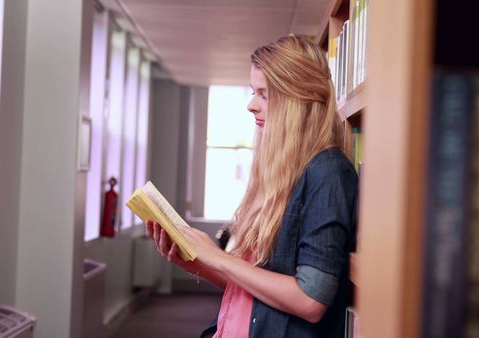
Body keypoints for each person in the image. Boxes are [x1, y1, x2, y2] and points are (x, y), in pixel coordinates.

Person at [145, 35, 358, 338]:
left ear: (297, 97)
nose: (251, 105)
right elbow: (258, 289)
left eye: (264, 94)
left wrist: (217, 257)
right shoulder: (281, 173)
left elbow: (311, 299)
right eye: (252, 92)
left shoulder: (328, 173)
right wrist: (197, 263)